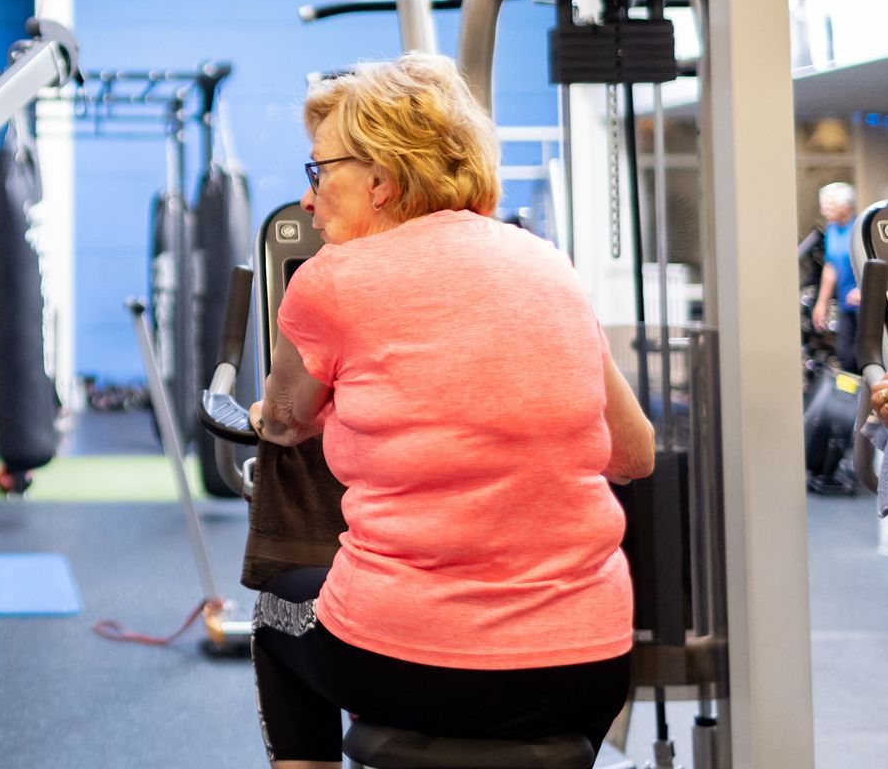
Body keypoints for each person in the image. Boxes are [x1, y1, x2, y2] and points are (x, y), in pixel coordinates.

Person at [246, 54, 656, 769]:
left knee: (277, 613)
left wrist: (274, 414)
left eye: (319, 172)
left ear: (381, 178)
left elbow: (283, 422)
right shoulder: (548, 264)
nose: (308, 201)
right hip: (590, 668)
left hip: (411, 665)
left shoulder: (330, 279)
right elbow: (634, 453)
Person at [811, 181, 862, 370]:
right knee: (845, 355)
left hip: (863, 305)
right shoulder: (831, 230)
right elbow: (831, 267)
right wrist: (821, 303)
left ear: (846, 207)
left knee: (863, 358)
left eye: (829, 206)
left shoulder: (859, 228)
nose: (824, 211)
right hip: (845, 304)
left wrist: (863, 290)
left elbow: (877, 264)